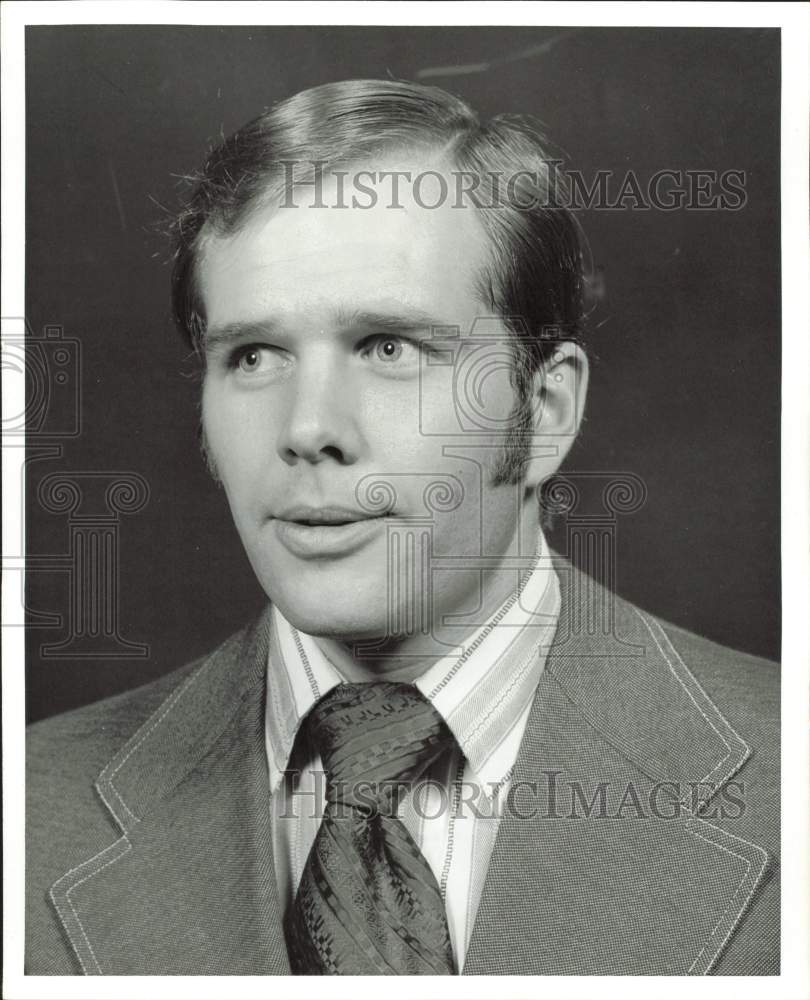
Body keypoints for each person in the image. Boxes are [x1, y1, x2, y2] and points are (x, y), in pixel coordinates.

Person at [25, 78, 779, 977]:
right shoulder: (27, 808)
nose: (308, 429)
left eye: (390, 349)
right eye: (253, 356)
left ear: (542, 411)